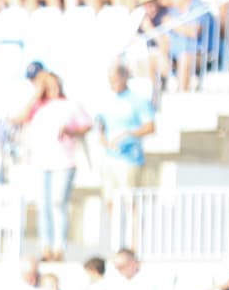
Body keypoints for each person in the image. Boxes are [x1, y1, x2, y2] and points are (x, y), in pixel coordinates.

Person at [24, 72, 91, 262]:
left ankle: (59, 246)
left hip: (64, 161)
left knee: (57, 202)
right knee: (43, 205)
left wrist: (71, 130)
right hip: (41, 161)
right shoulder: (38, 107)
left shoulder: (70, 105)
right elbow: (19, 117)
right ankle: (45, 247)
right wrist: (37, 95)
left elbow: (87, 124)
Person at [98, 65, 155, 192]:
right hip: (109, 157)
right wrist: (102, 139)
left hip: (130, 159)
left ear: (124, 77)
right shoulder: (107, 100)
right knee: (110, 200)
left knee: (130, 200)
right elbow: (100, 123)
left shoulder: (138, 100)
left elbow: (150, 127)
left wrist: (128, 134)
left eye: (116, 79)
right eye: (110, 80)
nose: (113, 83)